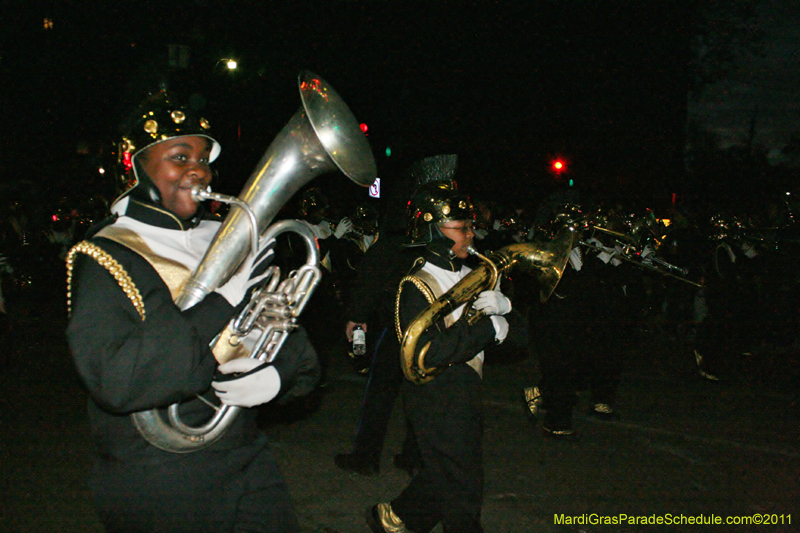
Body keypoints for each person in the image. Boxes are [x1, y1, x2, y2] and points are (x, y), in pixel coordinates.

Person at [65, 89, 320, 533]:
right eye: (179, 157)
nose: (199, 170)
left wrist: (281, 376)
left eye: (202, 158)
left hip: (246, 455)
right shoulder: (105, 252)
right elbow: (117, 380)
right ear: (135, 168)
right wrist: (222, 302)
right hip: (157, 474)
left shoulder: (229, 237)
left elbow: (292, 340)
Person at [368, 184, 515, 533]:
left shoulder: (476, 274)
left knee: (449, 473)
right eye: (460, 228)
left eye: (470, 226)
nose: (470, 235)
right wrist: (486, 330)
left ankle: (395, 517)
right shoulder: (416, 284)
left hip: (467, 389)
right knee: (464, 485)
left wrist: (507, 312)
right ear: (433, 231)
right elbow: (425, 354)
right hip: (435, 395)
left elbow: (516, 338)